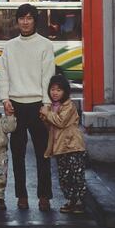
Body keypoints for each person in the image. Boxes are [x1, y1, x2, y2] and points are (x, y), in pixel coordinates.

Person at [0, 3, 55, 212]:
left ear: (35, 20)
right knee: (17, 153)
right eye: (21, 18)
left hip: (38, 105)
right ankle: (21, 195)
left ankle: (44, 196)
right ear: (17, 21)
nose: (25, 21)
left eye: (29, 18)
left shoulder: (45, 45)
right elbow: (3, 75)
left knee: (43, 153)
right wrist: (5, 99)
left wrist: (47, 104)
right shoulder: (10, 46)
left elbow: (47, 76)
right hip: (15, 105)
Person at [40, 74, 87, 214]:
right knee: (65, 176)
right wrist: (45, 117)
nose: (54, 93)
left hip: (73, 146)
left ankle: (79, 202)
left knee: (76, 174)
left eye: (59, 90)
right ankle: (71, 201)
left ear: (65, 92)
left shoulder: (69, 105)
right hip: (60, 147)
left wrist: (47, 114)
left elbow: (61, 122)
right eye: (52, 89)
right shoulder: (53, 107)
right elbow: (51, 126)